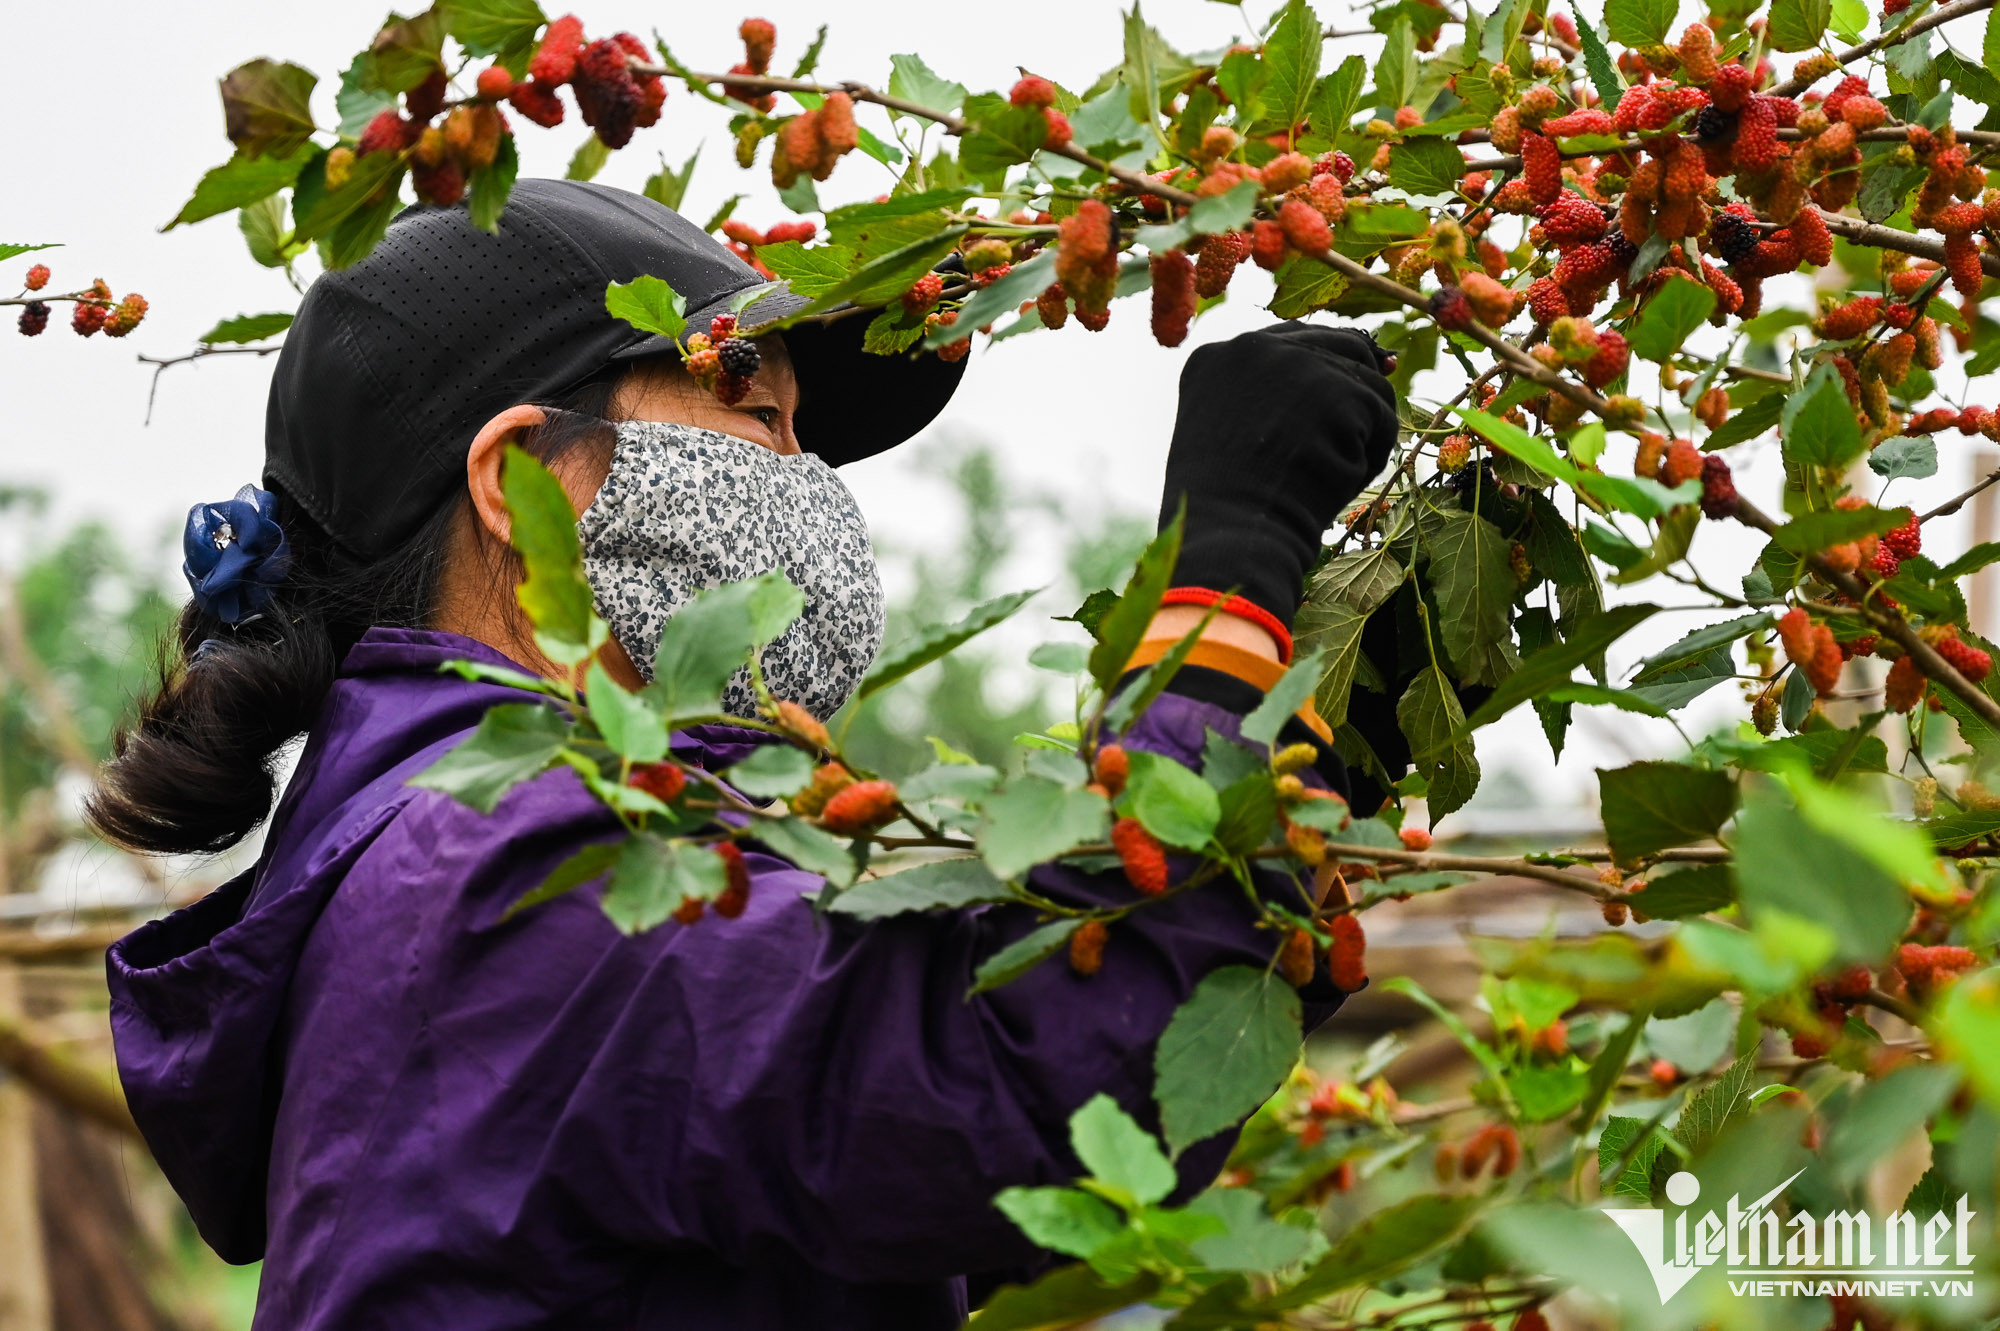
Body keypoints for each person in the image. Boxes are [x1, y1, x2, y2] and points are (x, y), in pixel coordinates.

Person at [89, 179, 1400, 1329]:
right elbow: (1010, 1095)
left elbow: (887, 1193)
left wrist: (1295, 746)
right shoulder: (514, 868)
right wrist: (1226, 579)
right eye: (759, 417)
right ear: (521, 484)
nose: (808, 488)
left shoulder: (466, 852)